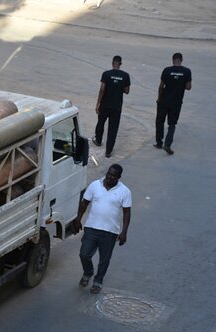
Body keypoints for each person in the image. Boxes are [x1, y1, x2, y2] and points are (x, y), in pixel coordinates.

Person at [72, 164, 131, 294]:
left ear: (119, 177)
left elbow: (127, 212)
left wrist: (124, 232)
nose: (109, 177)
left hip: (110, 231)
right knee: (84, 254)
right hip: (91, 227)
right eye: (108, 173)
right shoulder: (95, 185)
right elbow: (84, 203)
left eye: (113, 175)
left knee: (104, 259)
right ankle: (88, 272)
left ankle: (98, 280)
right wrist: (78, 219)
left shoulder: (125, 191)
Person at [92, 55, 130, 158]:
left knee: (101, 122)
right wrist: (119, 87)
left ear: (112, 63)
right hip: (116, 107)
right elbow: (127, 91)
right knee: (113, 129)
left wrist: (98, 103)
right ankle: (108, 151)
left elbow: (102, 89)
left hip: (105, 104)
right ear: (120, 64)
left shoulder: (106, 74)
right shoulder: (125, 75)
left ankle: (98, 140)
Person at [154, 52, 192, 155]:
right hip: (176, 102)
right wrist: (179, 85)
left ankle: (159, 143)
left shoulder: (167, 70)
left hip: (164, 101)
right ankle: (167, 144)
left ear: (173, 60)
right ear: (181, 60)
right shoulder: (187, 71)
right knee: (172, 124)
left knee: (159, 121)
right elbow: (188, 87)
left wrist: (159, 98)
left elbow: (161, 86)